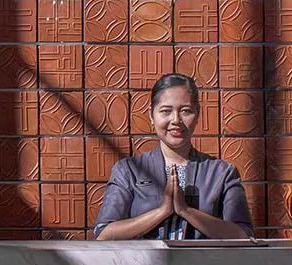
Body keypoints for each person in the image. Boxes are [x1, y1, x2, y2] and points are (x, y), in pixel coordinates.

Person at [92, 73, 254, 240]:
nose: (176, 120)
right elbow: (104, 233)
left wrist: (187, 211)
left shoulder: (222, 173)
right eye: (166, 111)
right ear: (151, 115)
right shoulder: (128, 170)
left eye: (186, 111)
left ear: (197, 114)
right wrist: (162, 211)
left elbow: (243, 234)